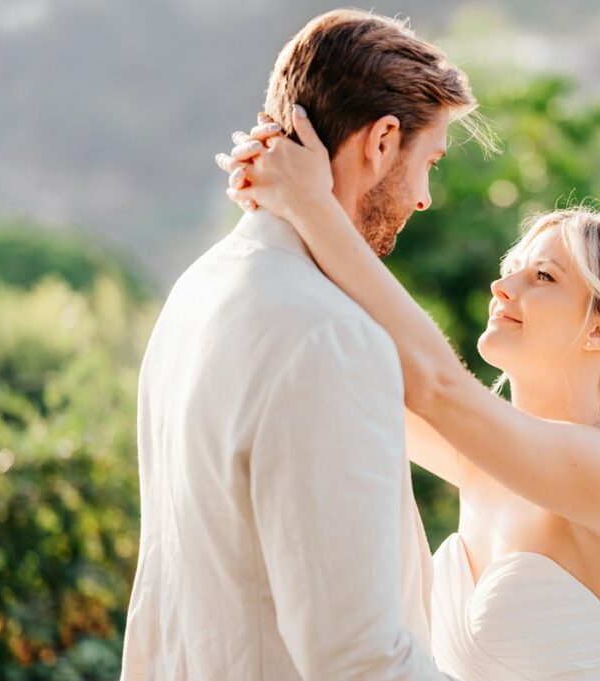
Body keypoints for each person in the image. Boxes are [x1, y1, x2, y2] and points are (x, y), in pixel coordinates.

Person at [216, 105, 600, 680]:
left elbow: (433, 383)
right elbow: (351, 360)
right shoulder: (483, 462)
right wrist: (277, 202)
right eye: (512, 267)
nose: (503, 287)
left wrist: (313, 206)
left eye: (543, 277)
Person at [121, 9, 484, 680]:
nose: (427, 197)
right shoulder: (330, 338)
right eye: (428, 161)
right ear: (381, 141)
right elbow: (358, 656)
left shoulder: (191, 296)